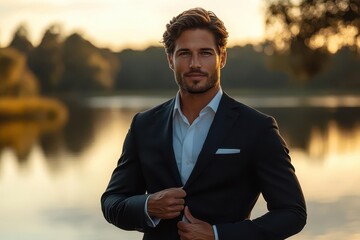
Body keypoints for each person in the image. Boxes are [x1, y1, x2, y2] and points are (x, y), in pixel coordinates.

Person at [101, 7, 306, 240]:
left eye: (206, 53)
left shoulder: (257, 128)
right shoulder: (143, 125)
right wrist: (147, 205)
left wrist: (219, 235)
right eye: (184, 53)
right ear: (170, 59)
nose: (194, 64)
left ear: (222, 57)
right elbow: (112, 202)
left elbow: (292, 213)